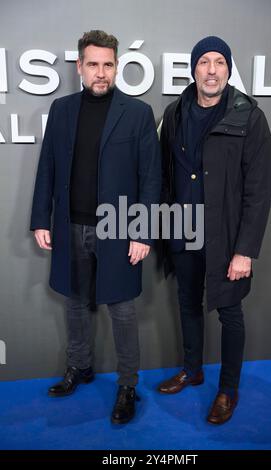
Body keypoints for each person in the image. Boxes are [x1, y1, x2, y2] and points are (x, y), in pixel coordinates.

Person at [30, 30, 161, 424]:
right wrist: (41, 219)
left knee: (122, 310)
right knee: (74, 303)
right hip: (70, 227)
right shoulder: (62, 109)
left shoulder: (137, 113)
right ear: (80, 67)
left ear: (117, 66)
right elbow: (48, 168)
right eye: (93, 64)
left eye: (108, 65)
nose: (100, 73)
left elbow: (150, 178)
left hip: (119, 229)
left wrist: (142, 231)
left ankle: (127, 386)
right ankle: (80, 367)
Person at [158, 36, 271, 424]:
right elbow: (165, 174)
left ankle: (228, 390)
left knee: (230, 313)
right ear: (193, 69)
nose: (211, 69)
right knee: (188, 304)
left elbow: (259, 190)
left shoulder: (248, 115)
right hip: (181, 231)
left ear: (228, 68)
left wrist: (245, 251)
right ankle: (192, 371)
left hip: (226, 237)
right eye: (204, 62)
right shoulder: (174, 112)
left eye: (219, 62)